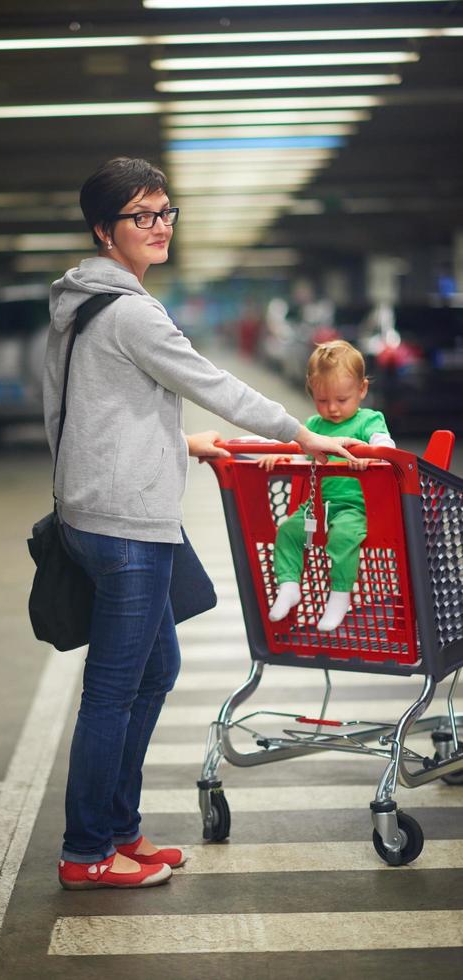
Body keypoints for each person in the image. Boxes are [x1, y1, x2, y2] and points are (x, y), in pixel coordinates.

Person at [43, 157, 358, 890]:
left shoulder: (80, 304)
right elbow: (208, 381)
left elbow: (87, 406)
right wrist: (299, 432)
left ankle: (120, 831)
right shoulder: (128, 310)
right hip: (126, 524)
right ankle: (88, 851)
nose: (158, 227)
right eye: (140, 216)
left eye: (164, 212)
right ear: (103, 229)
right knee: (115, 688)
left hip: (99, 510)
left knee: (155, 669)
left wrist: (178, 441)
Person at [259, 340, 395, 631]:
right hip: (316, 506)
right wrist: (281, 454)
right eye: (323, 400)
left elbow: (385, 444)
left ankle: (340, 595)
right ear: (312, 392)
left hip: (354, 506)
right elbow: (302, 455)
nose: (332, 408)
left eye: (342, 399)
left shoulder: (368, 420)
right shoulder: (314, 427)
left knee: (343, 538)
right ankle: (289, 585)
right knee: (288, 531)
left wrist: (373, 456)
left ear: (362, 390)